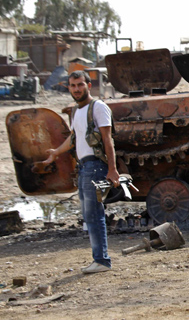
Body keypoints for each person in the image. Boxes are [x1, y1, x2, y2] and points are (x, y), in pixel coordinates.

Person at [44, 70, 120, 274]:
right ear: (68, 88)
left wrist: (112, 169)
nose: (77, 89)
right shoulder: (77, 112)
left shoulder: (98, 107)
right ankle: (99, 259)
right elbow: (74, 138)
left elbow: (107, 139)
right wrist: (56, 153)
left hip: (95, 166)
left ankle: (102, 260)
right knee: (89, 214)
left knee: (94, 214)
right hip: (84, 167)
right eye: (73, 85)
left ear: (88, 85)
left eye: (80, 84)